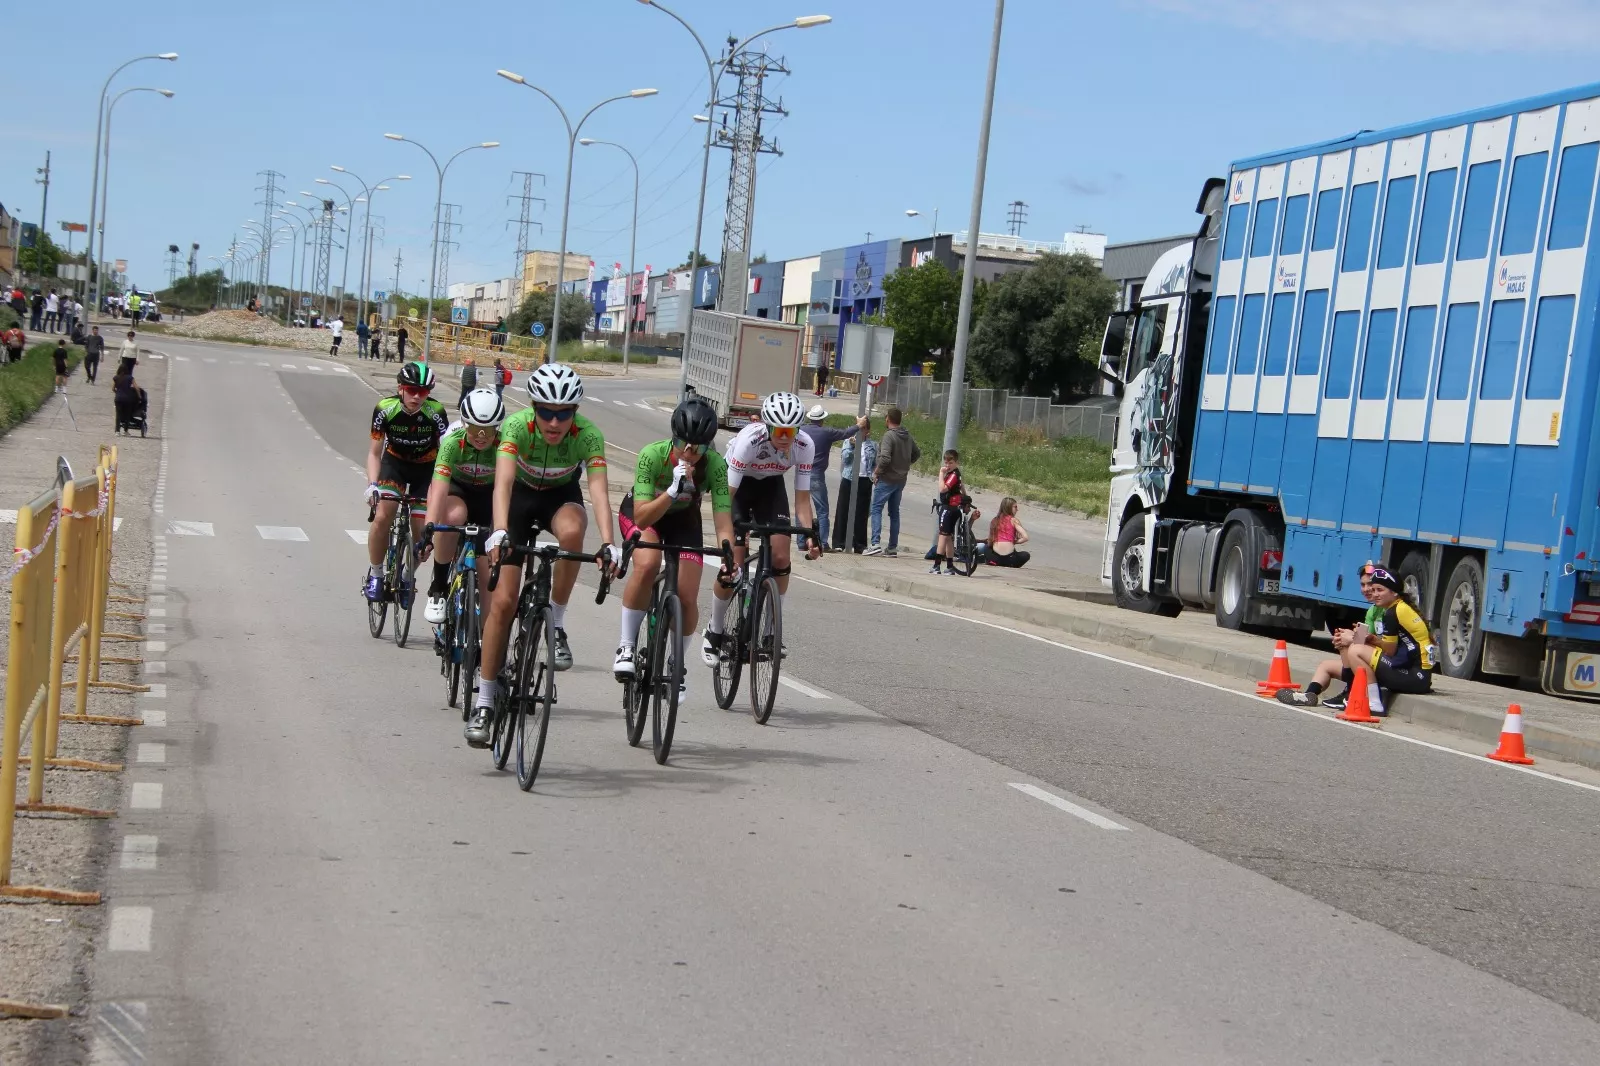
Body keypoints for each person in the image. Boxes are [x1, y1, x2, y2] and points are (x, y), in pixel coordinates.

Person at [475, 364, 617, 722]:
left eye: (564, 413)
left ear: (575, 412)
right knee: (503, 603)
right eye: (546, 413)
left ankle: (556, 619)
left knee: (572, 532)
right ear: (533, 407)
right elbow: (503, 483)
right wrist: (501, 530)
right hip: (519, 500)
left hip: (559, 496)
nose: (554, 423)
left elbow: (599, 493)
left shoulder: (588, 435)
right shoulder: (515, 427)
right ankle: (485, 700)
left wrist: (609, 543)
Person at [613, 396, 734, 701]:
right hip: (645, 514)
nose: (689, 453)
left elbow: (722, 517)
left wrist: (728, 554)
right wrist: (671, 491)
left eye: (699, 447)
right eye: (683, 444)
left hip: (683, 521)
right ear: (673, 438)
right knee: (648, 563)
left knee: (688, 594)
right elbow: (641, 516)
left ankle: (676, 664)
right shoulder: (652, 456)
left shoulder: (716, 467)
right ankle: (626, 645)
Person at [702, 391, 820, 665]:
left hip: (771, 487)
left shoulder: (805, 445)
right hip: (739, 488)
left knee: (781, 556)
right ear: (767, 426)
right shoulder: (749, 440)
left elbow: (802, 498)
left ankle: (770, 633)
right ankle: (714, 630)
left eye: (791, 431)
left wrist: (811, 534)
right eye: (779, 430)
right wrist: (727, 537)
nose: (784, 437)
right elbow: (726, 496)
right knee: (734, 565)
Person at [1277, 566, 1432, 714]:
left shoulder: (1393, 612)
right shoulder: (1375, 610)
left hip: (1412, 673)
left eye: (1377, 588)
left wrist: (1357, 639)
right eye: (1366, 586)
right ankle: (1309, 695)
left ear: (1394, 592)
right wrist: (1349, 638)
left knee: (1355, 649)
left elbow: (1385, 648)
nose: (1370, 591)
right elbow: (1370, 643)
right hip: (1399, 666)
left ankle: (1368, 699)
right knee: (1329, 662)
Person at [364, 362, 450, 605]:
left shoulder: (436, 412)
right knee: (383, 516)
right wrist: (372, 484)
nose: (416, 396)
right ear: (400, 388)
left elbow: (446, 451)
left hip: (427, 469)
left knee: (423, 534)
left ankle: (406, 575)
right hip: (395, 465)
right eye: (411, 390)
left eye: (422, 392)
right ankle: (377, 574)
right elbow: (374, 453)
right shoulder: (385, 409)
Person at [797, 404, 864, 551]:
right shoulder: (826, 432)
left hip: (801, 472)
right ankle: (822, 542)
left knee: (801, 506)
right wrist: (859, 425)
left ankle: (801, 541)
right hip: (816, 474)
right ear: (822, 419)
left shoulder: (801, 430)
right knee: (822, 510)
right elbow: (845, 433)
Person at [864, 406, 920, 557]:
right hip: (900, 480)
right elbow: (916, 453)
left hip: (887, 479)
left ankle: (875, 543)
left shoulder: (889, 436)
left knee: (876, 509)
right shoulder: (907, 436)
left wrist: (876, 473)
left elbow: (885, 458)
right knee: (894, 513)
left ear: (888, 419)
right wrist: (904, 464)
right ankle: (892, 547)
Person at [931, 449, 976, 575]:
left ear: (956, 462)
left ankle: (936, 565)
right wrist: (965, 498)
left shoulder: (952, 475)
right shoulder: (957, 474)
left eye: (950, 463)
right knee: (949, 538)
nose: (947, 466)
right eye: (946, 463)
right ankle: (950, 566)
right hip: (954, 508)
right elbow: (961, 487)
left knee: (942, 537)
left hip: (949, 508)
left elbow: (943, 489)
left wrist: (940, 474)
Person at [833, 426, 876, 552]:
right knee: (843, 510)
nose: (858, 432)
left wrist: (874, 474)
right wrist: (852, 447)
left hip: (864, 479)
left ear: (867, 431)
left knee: (861, 513)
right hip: (849, 478)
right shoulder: (848, 442)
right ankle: (839, 543)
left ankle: (860, 544)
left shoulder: (872, 445)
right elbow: (845, 459)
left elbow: (874, 463)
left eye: (862, 430)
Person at [984, 497, 1031, 569]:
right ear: (1009, 507)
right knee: (1026, 555)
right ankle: (1011, 564)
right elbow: (1025, 537)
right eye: (1015, 507)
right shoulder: (1013, 520)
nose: (1017, 509)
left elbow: (990, 540)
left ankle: (992, 561)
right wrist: (1013, 542)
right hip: (1010, 559)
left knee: (986, 547)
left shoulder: (995, 520)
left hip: (995, 558)